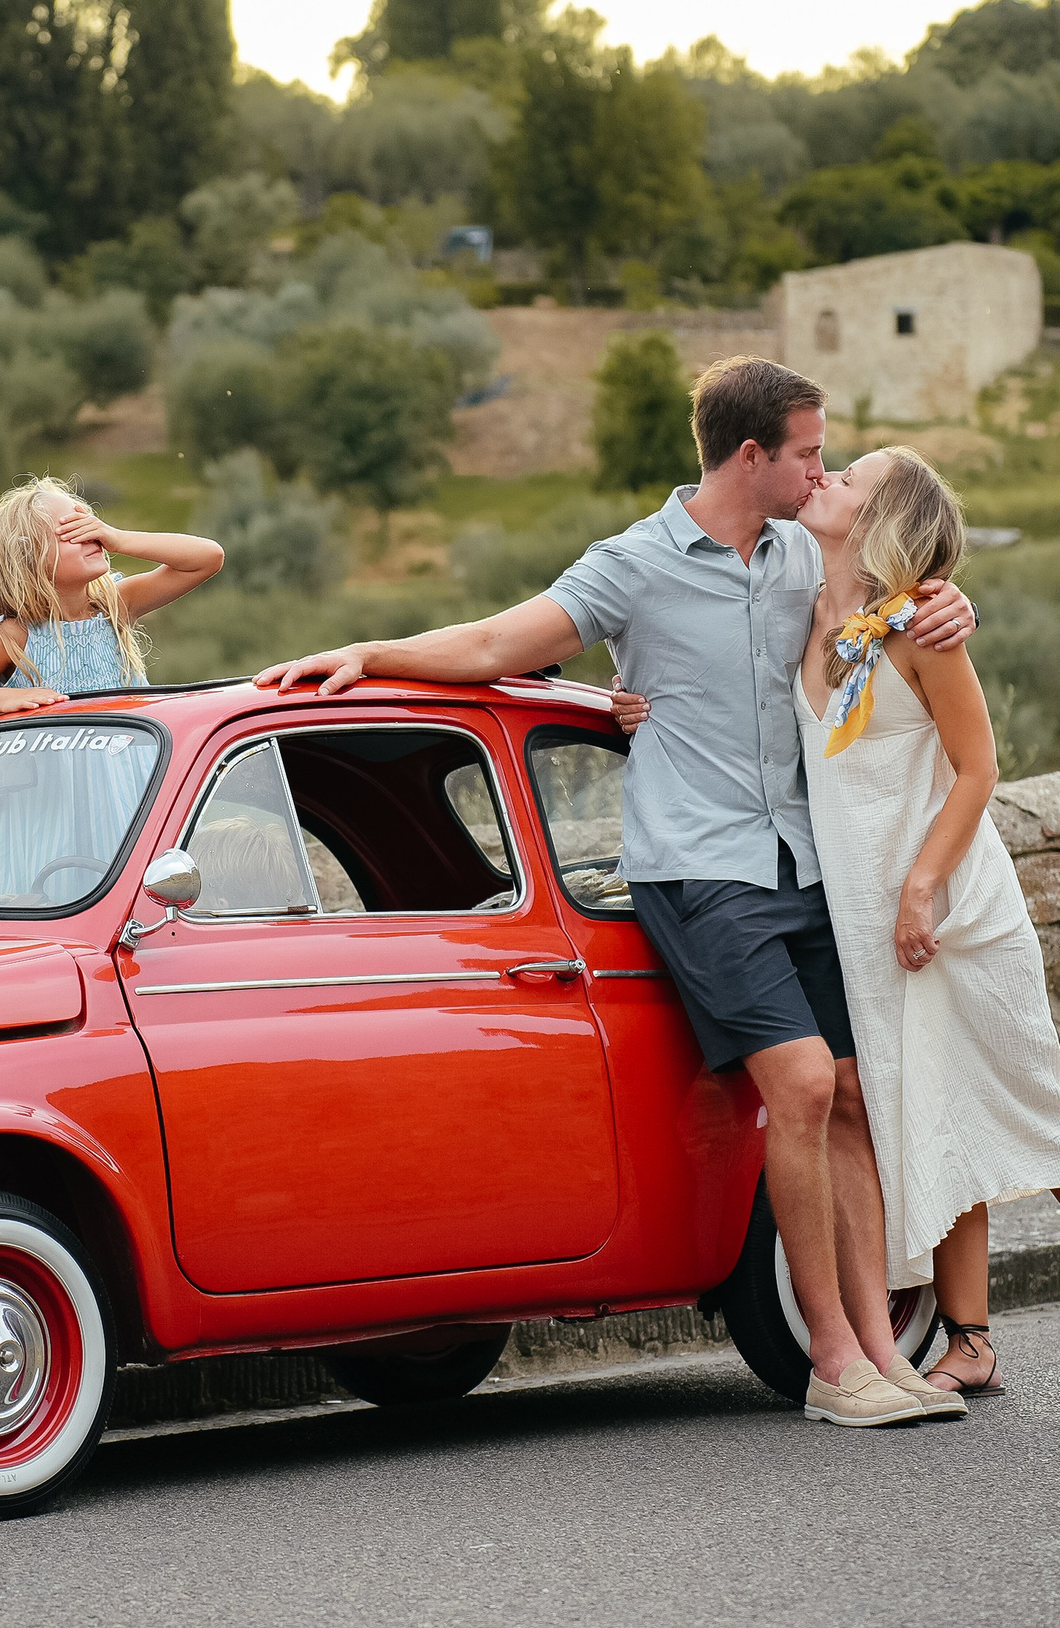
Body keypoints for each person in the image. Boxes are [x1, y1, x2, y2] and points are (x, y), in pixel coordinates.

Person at [257, 356, 979, 1428]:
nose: (821, 469)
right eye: (809, 453)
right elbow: (503, 642)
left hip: (805, 865)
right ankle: (831, 1361)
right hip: (699, 867)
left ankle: (885, 1349)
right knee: (798, 1086)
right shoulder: (633, 565)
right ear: (752, 456)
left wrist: (947, 601)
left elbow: (892, 604)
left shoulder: (803, 556)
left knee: (854, 1101)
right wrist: (371, 650)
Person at [613, 447, 1060, 1390]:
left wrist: (919, 886)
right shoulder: (802, 610)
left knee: (1025, 1092)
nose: (823, 478)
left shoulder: (921, 625)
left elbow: (979, 769)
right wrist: (636, 709)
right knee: (926, 1106)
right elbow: (717, 673)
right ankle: (972, 1340)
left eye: (849, 477)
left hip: (952, 907)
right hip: (859, 911)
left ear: (880, 519)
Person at [0, 478, 224, 728]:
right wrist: (0, 700)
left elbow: (208, 558)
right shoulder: (16, 636)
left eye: (90, 523)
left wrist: (119, 538)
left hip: (132, 777)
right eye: (73, 530)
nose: (92, 535)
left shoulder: (115, 604)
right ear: (30, 558)